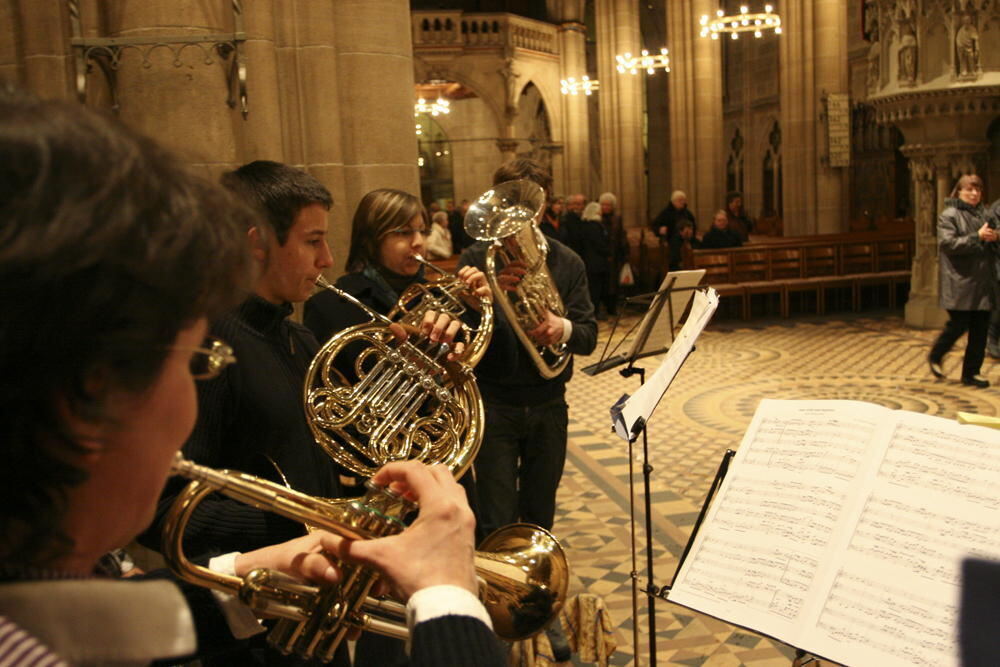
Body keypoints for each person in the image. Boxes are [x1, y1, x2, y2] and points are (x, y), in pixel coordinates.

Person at [0, 90, 503, 667]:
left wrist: (249, 572)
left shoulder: (297, 337)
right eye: (188, 364)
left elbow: (111, 617)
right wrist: (445, 598)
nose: (186, 404)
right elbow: (176, 513)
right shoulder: (231, 332)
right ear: (84, 394)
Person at [458, 158, 595, 662]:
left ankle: (543, 611)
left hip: (547, 404)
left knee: (540, 515)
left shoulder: (567, 263)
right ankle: (496, 622)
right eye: (506, 204)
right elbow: (463, 343)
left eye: (527, 203)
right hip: (494, 403)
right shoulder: (477, 260)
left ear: (545, 203)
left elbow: (588, 334)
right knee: (493, 519)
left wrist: (560, 328)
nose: (516, 217)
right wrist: (483, 298)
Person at [928, 174, 998, 388]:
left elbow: (993, 237)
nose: (975, 194)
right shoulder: (949, 215)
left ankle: (971, 373)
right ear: (958, 192)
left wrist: (995, 237)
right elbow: (948, 244)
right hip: (960, 281)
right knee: (958, 324)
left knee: (980, 329)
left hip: (983, 281)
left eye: (978, 190)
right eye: (970, 190)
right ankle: (936, 355)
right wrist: (976, 237)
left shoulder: (985, 213)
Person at [566, 201, 613, 320]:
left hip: (591, 262)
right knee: (595, 290)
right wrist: (608, 251)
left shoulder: (585, 225)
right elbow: (599, 244)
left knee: (595, 289)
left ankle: (596, 312)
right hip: (596, 263)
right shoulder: (593, 226)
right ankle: (595, 312)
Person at [599, 192, 628, 316]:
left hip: (615, 255)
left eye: (608, 205)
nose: (606, 207)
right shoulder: (597, 218)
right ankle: (603, 307)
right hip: (602, 256)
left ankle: (613, 307)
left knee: (614, 284)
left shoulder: (617, 218)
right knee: (603, 283)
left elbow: (621, 235)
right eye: (603, 205)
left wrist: (625, 254)